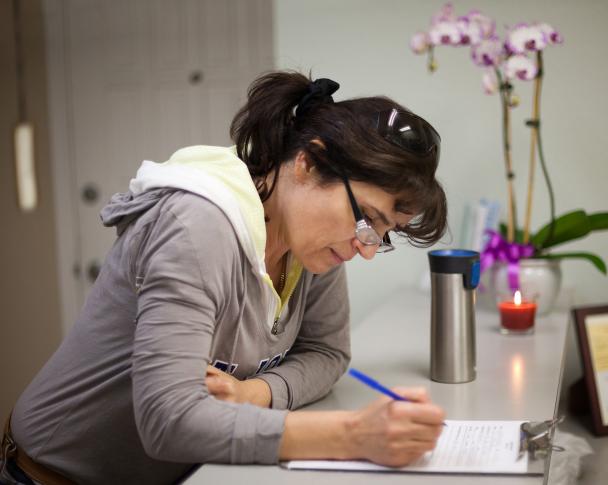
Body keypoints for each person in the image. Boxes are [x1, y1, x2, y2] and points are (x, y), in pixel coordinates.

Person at [1, 71, 448, 485]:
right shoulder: (197, 225)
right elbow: (169, 422)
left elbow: (327, 352)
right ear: (308, 164)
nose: (365, 248)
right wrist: (353, 433)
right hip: (51, 475)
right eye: (366, 219)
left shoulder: (312, 244)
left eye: (382, 235)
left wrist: (257, 393)